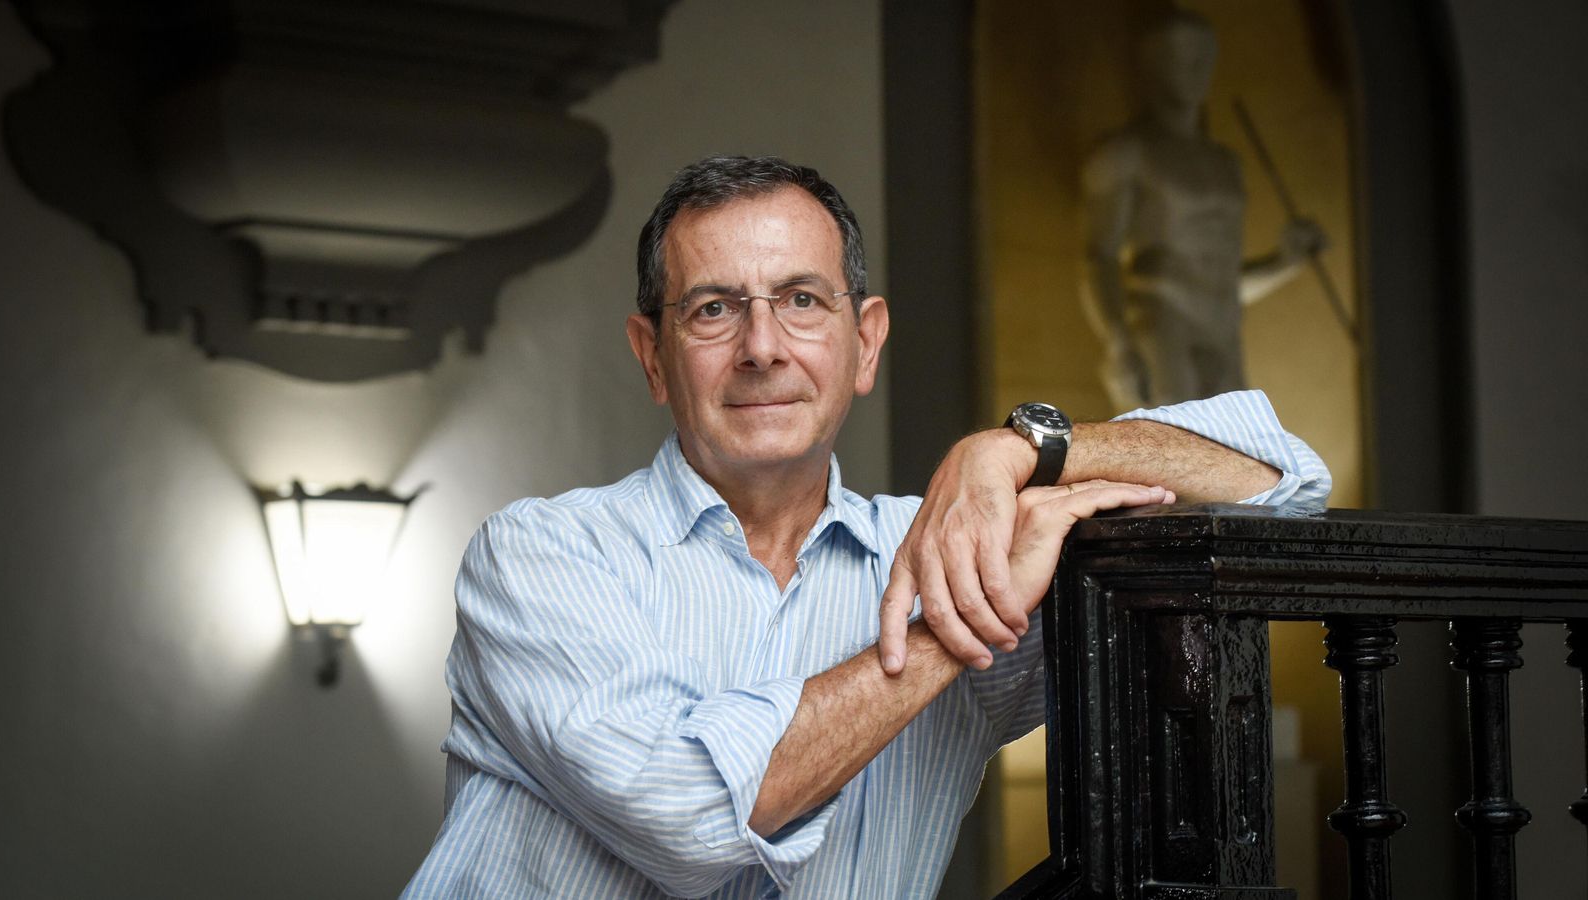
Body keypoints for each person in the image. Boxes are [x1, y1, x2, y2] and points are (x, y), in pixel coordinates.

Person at [403, 155, 1329, 898]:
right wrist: (949, 631)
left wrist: (1014, 452)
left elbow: (1284, 479)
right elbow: (689, 816)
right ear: (653, 356)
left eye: (802, 300)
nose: (763, 347)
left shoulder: (948, 545)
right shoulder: (541, 555)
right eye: (714, 309)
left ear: (867, 342)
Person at [1082, 9, 1327, 409]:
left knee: (1233, 457)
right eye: (1181, 56)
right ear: (1153, 66)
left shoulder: (1226, 164)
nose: (1196, 68)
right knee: (1168, 457)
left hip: (1222, 330)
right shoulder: (1126, 154)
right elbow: (1100, 257)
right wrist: (1119, 344)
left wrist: (1286, 261)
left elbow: (1224, 285)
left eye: (1203, 56)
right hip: (1162, 326)